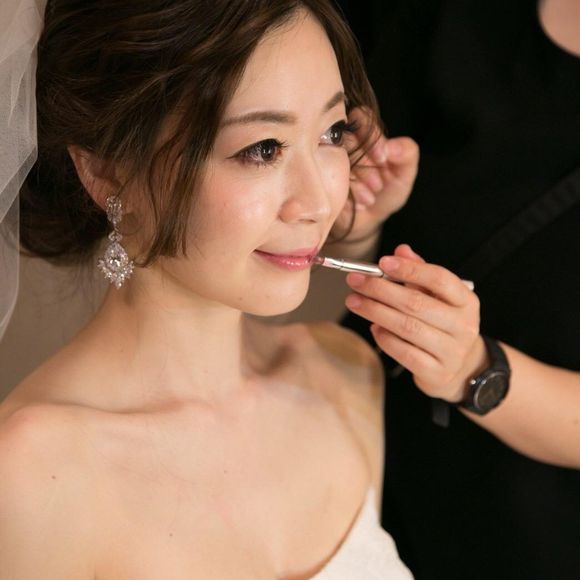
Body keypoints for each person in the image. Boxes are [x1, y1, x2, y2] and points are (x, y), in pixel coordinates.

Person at [0, 1, 432, 578]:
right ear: (104, 172)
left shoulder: (346, 375)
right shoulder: (31, 475)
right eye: (264, 149)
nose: (318, 201)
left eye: (332, 133)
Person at [316, 0, 580, 578]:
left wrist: (475, 371)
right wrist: (361, 226)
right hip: (355, 435)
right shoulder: (443, 20)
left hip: (518, 535)